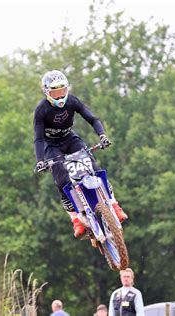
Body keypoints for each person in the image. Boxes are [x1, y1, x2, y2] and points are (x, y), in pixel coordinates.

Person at [33, 70, 127, 238]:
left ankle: (114, 206)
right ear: (47, 92)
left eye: (62, 91)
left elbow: (93, 119)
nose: (60, 96)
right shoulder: (41, 110)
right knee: (62, 179)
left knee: (94, 167)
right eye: (55, 92)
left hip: (70, 139)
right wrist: (40, 161)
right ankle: (76, 220)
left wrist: (102, 135)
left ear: (67, 89)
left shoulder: (73, 101)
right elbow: (38, 139)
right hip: (52, 146)